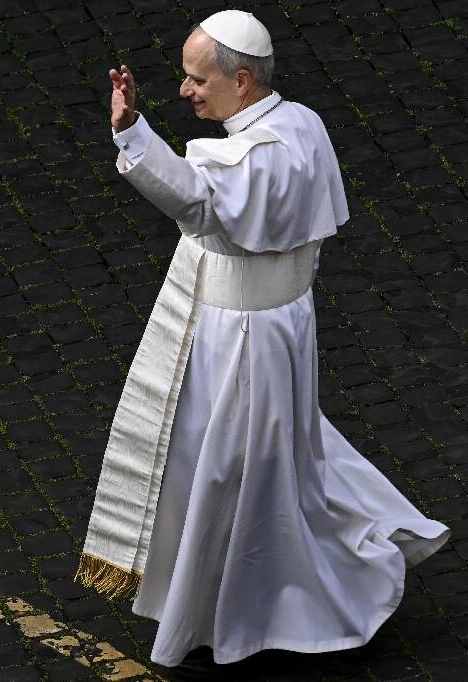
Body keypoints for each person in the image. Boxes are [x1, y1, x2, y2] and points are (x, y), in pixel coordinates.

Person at [74, 9, 450, 678]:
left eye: (197, 80)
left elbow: (196, 202)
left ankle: (230, 618)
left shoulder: (248, 155)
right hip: (280, 324)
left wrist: (132, 131)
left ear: (242, 81)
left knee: (222, 471)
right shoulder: (303, 123)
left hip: (238, 338)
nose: (185, 91)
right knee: (273, 457)